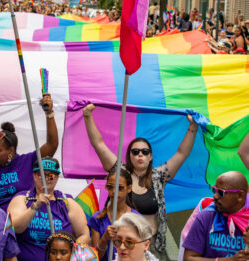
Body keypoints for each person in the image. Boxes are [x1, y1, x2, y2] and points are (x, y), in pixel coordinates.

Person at [83, 104, 198, 258]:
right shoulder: (120, 173)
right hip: (125, 245)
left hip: (153, 243)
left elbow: (182, 153)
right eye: (135, 151)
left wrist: (193, 126)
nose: (140, 155)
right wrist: (87, 116)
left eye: (145, 152)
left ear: (150, 156)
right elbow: (98, 144)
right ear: (129, 155)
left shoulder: (158, 176)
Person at [0, 94, 58, 211]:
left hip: (24, 218)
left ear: (11, 150)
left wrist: (49, 114)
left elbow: (52, 144)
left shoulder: (28, 162)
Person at [7, 157, 90, 261]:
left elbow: (84, 234)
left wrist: (71, 255)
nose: (46, 178)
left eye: (51, 175)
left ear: (57, 177)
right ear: (34, 175)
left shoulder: (67, 202)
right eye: (41, 174)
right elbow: (14, 228)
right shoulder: (22, 199)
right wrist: (35, 206)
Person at [183, 171, 249, 260]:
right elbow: (189, 258)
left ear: (240, 195)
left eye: (221, 193)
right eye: (214, 190)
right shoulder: (206, 216)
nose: (215, 196)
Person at [90, 168, 140, 261]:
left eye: (119, 188)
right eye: (110, 187)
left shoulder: (137, 219)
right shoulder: (97, 218)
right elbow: (95, 258)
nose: (114, 191)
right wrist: (104, 239)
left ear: (129, 188)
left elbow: (140, 254)